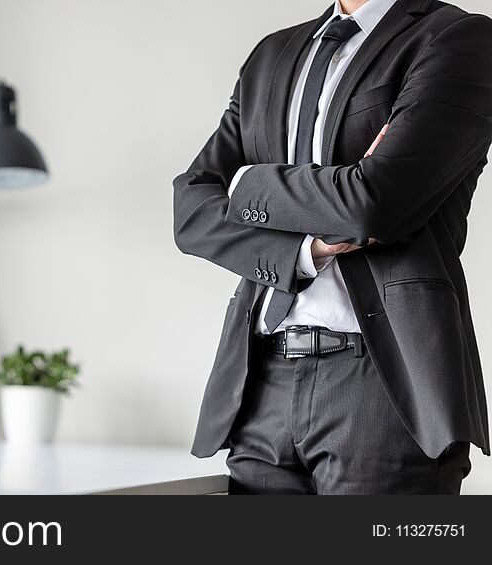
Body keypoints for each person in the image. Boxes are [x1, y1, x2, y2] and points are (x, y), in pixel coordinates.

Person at [173, 0, 491, 494]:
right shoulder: (272, 54)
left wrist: (246, 183)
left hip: (385, 387)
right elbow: (191, 210)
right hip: (260, 382)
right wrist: (307, 248)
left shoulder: (456, 38)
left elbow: (373, 204)